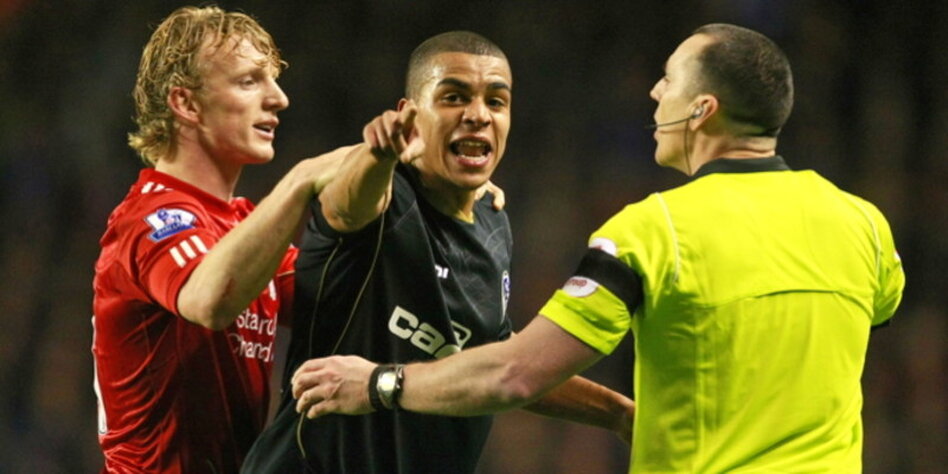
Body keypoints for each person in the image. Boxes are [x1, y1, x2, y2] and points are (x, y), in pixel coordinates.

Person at [290, 24, 906, 472]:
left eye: (669, 81)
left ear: (701, 110)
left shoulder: (655, 229)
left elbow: (516, 372)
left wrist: (380, 384)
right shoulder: (865, 224)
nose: (655, 94)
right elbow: (857, 320)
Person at [241, 31, 636, 474]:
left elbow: (499, 365)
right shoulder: (386, 199)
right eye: (454, 97)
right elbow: (346, 205)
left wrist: (619, 413)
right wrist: (378, 154)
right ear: (410, 115)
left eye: (496, 101)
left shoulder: (494, 224)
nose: (478, 115)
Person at [91, 6, 347, 473]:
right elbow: (210, 299)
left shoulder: (239, 225)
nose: (279, 99)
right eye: (249, 81)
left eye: (273, 81)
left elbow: (340, 295)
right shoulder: (150, 218)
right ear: (186, 104)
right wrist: (300, 182)